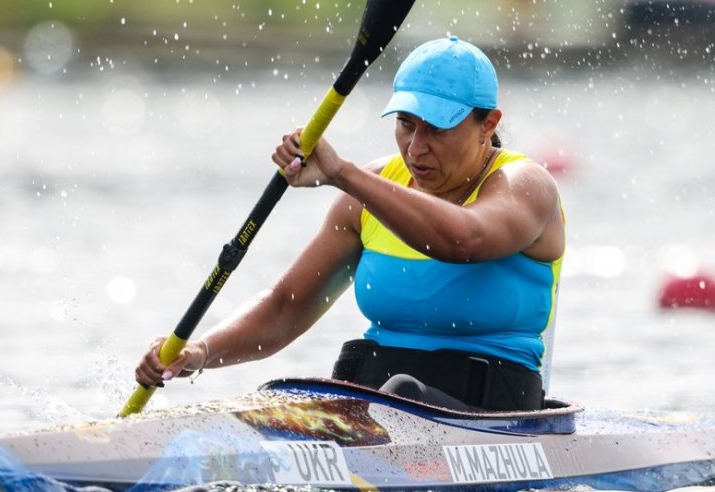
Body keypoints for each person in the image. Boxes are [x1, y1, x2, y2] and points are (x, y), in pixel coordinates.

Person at [136, 35, 565, 412]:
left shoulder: (525, 186)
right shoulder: (372, 189)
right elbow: (288, 305)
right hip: (377, 400)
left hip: (492, 414)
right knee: (281, 395)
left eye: (437, 129)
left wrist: (343, 174)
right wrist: (198, 352)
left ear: (487, 123)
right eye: (405, 125)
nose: (416, 148)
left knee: (400, 394)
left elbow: (464, 239)